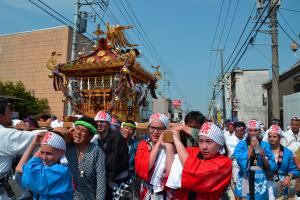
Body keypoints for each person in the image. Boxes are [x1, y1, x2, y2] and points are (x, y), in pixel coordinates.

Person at [166, 122, 232, 199]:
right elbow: (170, 170)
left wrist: (177, 141)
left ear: (220, 144)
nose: (204, 147)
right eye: (201, 141)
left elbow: (195, 171)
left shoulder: (224, 163)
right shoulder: (191, 152)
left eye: (209, 142)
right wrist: (169, 145)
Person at [0, 98, 41, 200]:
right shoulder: (4, 134)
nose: (12, 114)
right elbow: (36, 138)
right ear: (1, 117)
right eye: (9, 112)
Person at [16, 132, 73, 199]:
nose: (44, 158)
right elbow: (22, 168)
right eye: (42, 152)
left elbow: (20, 168)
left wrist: (34, 144)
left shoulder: (60, 171)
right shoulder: (58, 167)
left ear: (62, 152)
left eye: (49, 153)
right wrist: (47, 140)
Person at [234, 119, 276, 200]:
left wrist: (263, 156)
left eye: (255, 130)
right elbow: (240, 162)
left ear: (259, 131)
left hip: (260, 177)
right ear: (247, 131)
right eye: (250, 130)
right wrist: (251, 148)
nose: (253, 133)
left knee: (260, 198)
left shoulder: (265, 145)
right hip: (245, 176)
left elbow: (272, 165)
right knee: (245, 198)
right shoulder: (241, 145)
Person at [66, 116, 106, 200]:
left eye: (83, 131)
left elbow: (101, 181)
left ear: (90, 137)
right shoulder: (66, 147)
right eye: (77, 128)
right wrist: (66, 133)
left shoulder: (96, 151)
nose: (78, 133)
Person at [135, 113, 172, 199]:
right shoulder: (143, 145)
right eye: (153, 128)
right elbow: (145, 167)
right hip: (148, 191)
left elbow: (170, 172)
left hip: (167, 193)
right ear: (148, 128)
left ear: (165, 130)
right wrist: (159, 143)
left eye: (160, 129)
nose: (155, 132)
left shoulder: (171, 146)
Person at [92, 111, 128, 199]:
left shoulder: (117, 137)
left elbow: (113, 163)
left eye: (103, 122)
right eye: (97, 121)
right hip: (105, 180)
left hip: (117, 181)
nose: (99, 124)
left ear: (108, 124)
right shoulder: (96, 138)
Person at [267, 124, 299, 199]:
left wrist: (289, 176)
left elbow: (295, 169)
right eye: (270, 136)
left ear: (280, 138)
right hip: (265, 182)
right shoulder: (263, 150)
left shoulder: (287, 153)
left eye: (274, 137)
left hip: (281, 184)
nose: (271, 139)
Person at [225, 121, 246, 199]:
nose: (243, 132)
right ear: (236, 130)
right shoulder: (230, 141)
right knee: (237, 186)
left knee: (245, 189)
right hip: (235, 166)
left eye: (244, 130)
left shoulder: (245, 139)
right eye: (241, 130)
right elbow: (235, 155)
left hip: (245, 167)